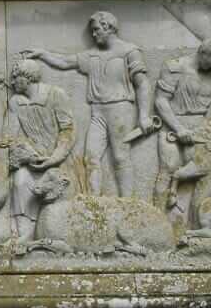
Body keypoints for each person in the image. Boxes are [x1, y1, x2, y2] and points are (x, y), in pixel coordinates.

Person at [24, 11, 154, 197]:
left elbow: (143, 84)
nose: (93, 35)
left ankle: (128, 203)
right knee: (91, 157)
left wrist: (143, 116)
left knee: (120, 156)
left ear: (108, 27)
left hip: (121, 109)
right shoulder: (91, 55)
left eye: (96, 30)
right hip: (97, 112)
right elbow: (64, 61)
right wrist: (42, 54)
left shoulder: (129, 52)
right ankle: (94, 202)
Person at [153, 37, 211, 219]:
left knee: (201, 174)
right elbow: (161, 100)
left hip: (202, 132)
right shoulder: (174, 67)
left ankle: (190, 222)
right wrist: (179, 128)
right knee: (167, 168)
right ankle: (156, 217)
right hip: (172, 128)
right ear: (202, 52)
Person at [4, 59, 76, 245]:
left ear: (27, 78)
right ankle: (24, 234)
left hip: (58, 160)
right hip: (31, 161)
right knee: (20, 181)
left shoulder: (55, 95)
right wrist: (25, 155)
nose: (12, 83)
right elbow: (10, 136)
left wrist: (54, 158)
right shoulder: (15, 102)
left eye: (16, 78)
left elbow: (68, 130)